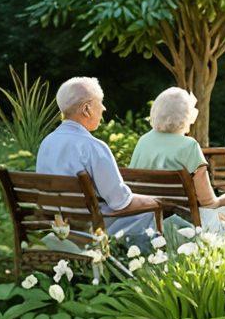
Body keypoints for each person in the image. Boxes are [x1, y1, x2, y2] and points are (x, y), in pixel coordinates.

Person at [36, 77, 191, 252]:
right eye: (100, 103)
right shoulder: (93, 147)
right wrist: (157, 201)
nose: (103, 108)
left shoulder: (46, 144)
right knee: (157, 215)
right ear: (86, 109)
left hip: (64, 227)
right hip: (94, 230)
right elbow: (121, 203)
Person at [129, 87, 225, 234]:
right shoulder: (189, 146)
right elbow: (209, 203)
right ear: (185, 116)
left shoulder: (143, 142)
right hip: (187, 227)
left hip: (150, 226)